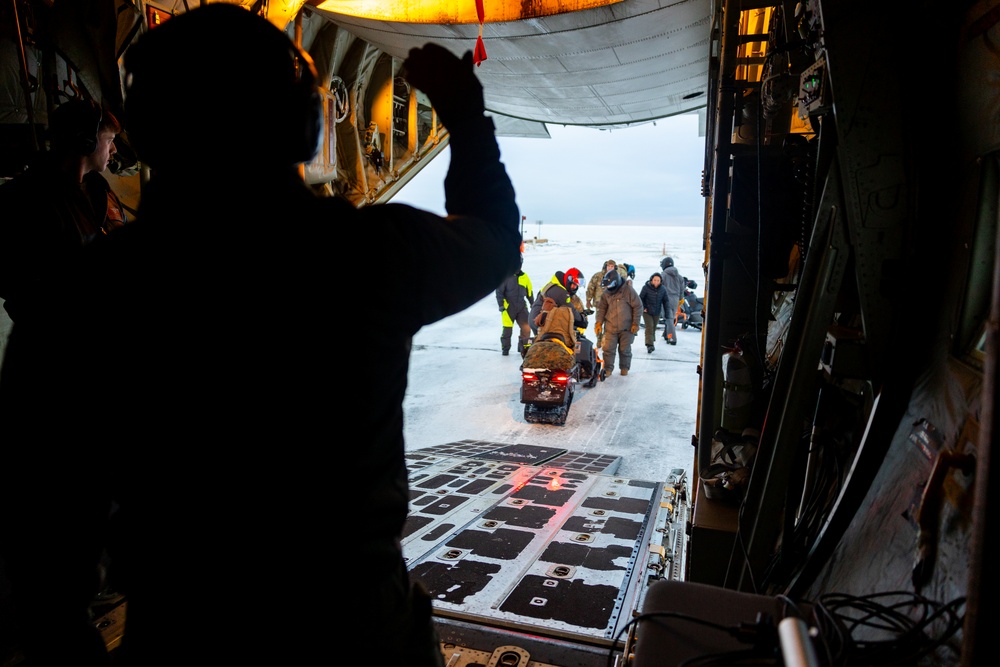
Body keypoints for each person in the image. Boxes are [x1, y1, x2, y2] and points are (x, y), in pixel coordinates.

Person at [0, 5, 520, 667]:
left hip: (185, 635)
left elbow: (41, 540)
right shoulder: (367, 255)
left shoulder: (83, 296)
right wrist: (467, 120)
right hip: (358, 637)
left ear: (151, 130)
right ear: (303, 125)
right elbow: (496, 240)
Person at [0, 99, 126, 323]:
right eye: (110, 140)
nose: (114, 149)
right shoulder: (24, 199)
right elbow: (15, 284)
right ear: (86, 141)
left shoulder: (101, 192)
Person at [594, 268, 641, 377]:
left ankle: (624, 368)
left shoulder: (628, 291)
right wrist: (598, 322)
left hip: (627, 327)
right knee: (608, 349)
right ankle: (607, 369)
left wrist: (635, 323)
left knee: (625, 349)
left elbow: (638, 307)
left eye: (610, 286)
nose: (609, 288)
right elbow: (601, 309)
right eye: (607, 286)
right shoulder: (606, 294)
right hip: (611, 327)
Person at [495, 260, 533, 356]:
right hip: (508, 307)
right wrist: (501, 305)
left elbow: (529, 292)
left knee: (526, 328)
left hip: (521, 307)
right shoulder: (505, 276)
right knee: (507, 330)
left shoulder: (525, 277)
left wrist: (533, 304)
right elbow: (499, 292)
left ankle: (523, 349)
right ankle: (505, 349)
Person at [639, 272, 670, 353]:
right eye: (654, 280)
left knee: (653, 328)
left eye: (658, 280)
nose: (656, 282)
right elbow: (640, 298)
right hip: (647, 311)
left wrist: (667, 313)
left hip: (657, 311)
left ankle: (651, 341)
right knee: (649, 327)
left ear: (660, 281)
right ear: (651, 280)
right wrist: (644, 307)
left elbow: (666, 301)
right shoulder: (646, 287)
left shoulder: (663, 289)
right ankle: (649, 345)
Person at [660, 256, 685, 345]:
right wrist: (680, 299)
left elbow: (658, 287)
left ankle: (672, 338)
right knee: (670, 317)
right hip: (675, 299)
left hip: (666, 298)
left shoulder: (663, 275)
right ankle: (666, 334)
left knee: (668, 319)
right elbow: (682, 290)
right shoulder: (679, 276)